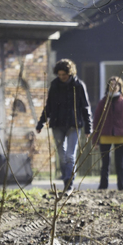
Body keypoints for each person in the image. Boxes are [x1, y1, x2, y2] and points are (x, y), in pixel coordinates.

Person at [36, 59, 92, 195]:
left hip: (74, 125)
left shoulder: (78, 86)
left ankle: (69, 183)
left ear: (70, 73)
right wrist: (41, 122)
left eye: (64, 75)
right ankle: (66, 182)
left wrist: (88, 127)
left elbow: (85, 106)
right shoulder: (54, 85)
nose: (62, 77)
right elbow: (49, 106)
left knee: (70, 155)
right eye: (59, 75)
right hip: (57, 124)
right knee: (62, 156)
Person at [92, 76, 123, 191]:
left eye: (116, 85)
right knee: (105, 164)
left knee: (119, 164)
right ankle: (103, 186)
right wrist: (95, 140)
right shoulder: (103, 102)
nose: (113, 87)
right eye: (111, 85)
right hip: (105, 136)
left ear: (120, 87)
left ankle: (122, 186)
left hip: (120, 137)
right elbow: (96, 121)